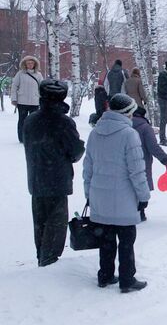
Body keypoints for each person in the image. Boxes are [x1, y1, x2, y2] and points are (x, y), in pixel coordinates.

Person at [83, 94, 150, 292]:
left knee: (106, 239)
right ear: (127, 113)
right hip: (124, 198)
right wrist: (143, 196)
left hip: (99, 197)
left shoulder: (95, 132)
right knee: (127, 241)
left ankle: (104, 275)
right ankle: (127, 279)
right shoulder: (129, 135)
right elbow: (137, 171)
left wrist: (89, 194)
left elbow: (88, 167)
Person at [23, 80, 85, 267]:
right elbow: (75, 151)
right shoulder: (63, 122)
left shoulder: (31, 119)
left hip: (36, 178)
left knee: (40, 223)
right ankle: (48, 263)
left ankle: (42, 259)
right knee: (55, 225)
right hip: (57, 180)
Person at [132, 106, 167, 221]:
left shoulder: (124, 126)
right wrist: (164, 158)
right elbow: (153, 147)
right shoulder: (145, 127)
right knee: (141, 185)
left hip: (125, 161)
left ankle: (128, 210)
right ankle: (140, 212)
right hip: (142, 161)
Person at [11, 56, 43, 143]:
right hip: (22, 102)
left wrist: (42, 99)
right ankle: (21, 138)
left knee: (34, 121)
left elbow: (42, 88)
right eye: (28, 63)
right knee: (22, 120)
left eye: (32, 63)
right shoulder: (20, 74)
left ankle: (32, 137)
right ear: (25, 64)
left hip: (34, 102)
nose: (30, 65)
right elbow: (14, 86)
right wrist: (14, 99)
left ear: (35, 64)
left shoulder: (39, 75)